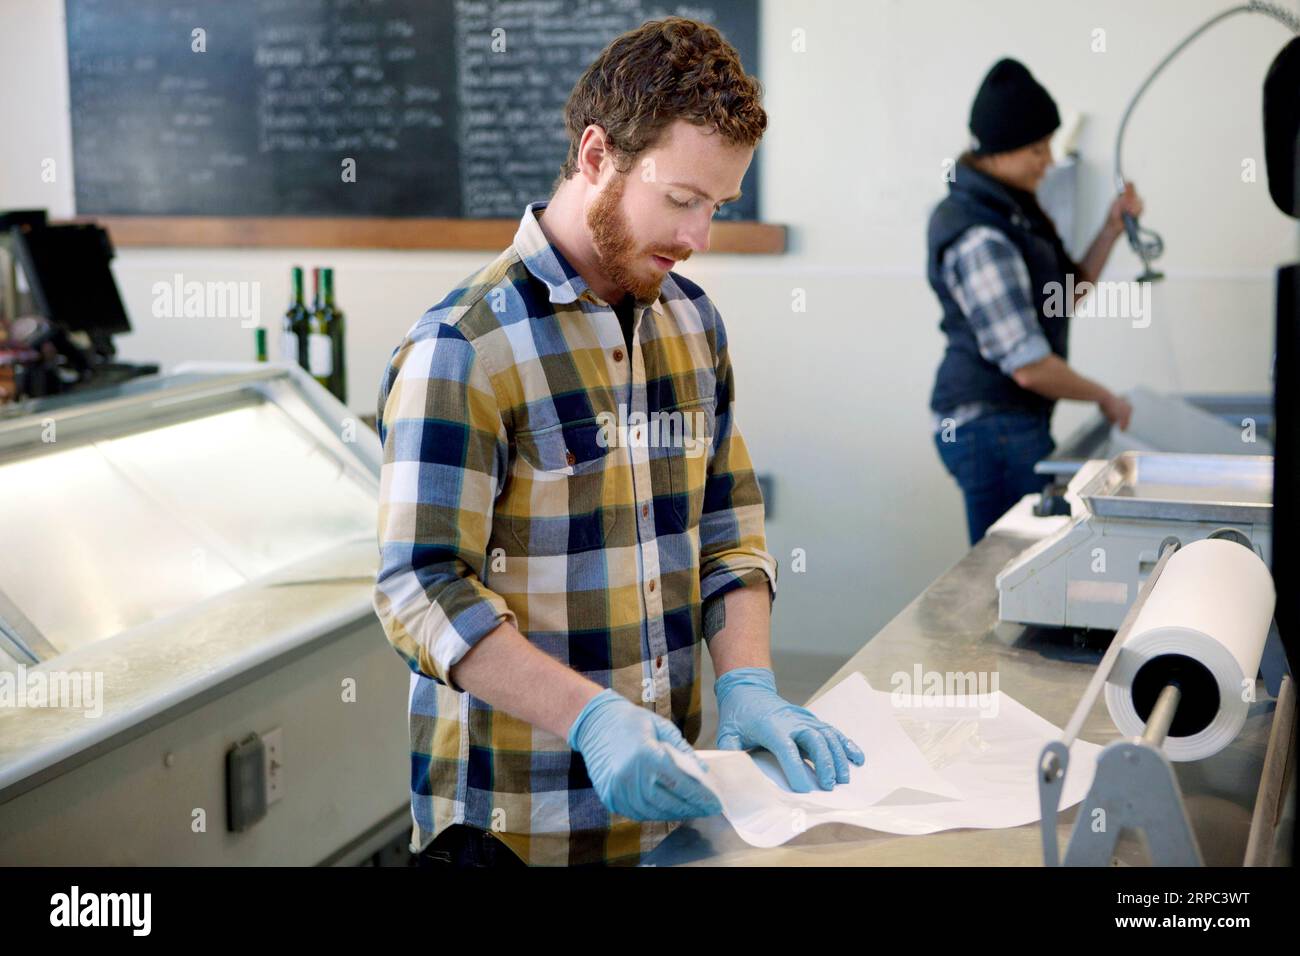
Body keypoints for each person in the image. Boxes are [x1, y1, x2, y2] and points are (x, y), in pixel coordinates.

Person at [373, 17, 863, 868]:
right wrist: (589, 717)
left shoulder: (692, 321)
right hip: (513, 833)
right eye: (680, 200)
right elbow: (419, 589)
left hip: (670, 817)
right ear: (597, 157)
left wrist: (746, 679)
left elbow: (728, 527)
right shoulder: (464, 346)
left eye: (717, 206)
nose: (698, 236)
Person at [929, 58, 1140, 546]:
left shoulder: (1016, 209)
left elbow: (1064, 295)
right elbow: (1029, 367)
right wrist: (1105, 397)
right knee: (1005, 573)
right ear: (999, 151)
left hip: (1008, 424)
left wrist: (1111, 230)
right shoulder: (980, 233)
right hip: (989, 430)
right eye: (1038, 149)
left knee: (1020, 567)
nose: (1049, 160)